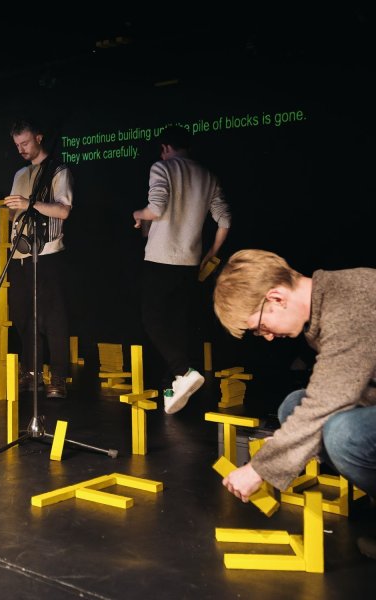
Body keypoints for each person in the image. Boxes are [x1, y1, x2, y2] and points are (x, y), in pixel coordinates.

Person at [213, 249, 376, 559]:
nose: (268, 337)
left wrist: (261, 467)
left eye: (260, 327)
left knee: (343, 433)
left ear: (276, 298)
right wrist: (291, 441)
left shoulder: (350, 302)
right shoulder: (325, 306)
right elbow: (343, 389)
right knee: (294, 406)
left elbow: (330, 400)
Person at [132, 125, 231, 414]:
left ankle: (184, 371)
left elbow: (157, 208)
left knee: (152, 320)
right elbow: (225, 220)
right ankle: (172, 387)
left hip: (161, 260)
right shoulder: (207, 175)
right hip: (190, 263)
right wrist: (211, 254)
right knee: (176, 327)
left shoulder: (162, 168)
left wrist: (138, 214)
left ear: (165, 147)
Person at [0, 119, 72, 398]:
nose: (21, 149)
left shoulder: (58, 170)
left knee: (53, 318)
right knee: (23, 315)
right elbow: (15, 214)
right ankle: (32, 371)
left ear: (39, 138)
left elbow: (64, 210)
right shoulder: (20, 173)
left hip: (47, 253)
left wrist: (29, 203)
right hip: (19, 254)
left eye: (25, 143)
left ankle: (58, 376)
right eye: (17, 145)